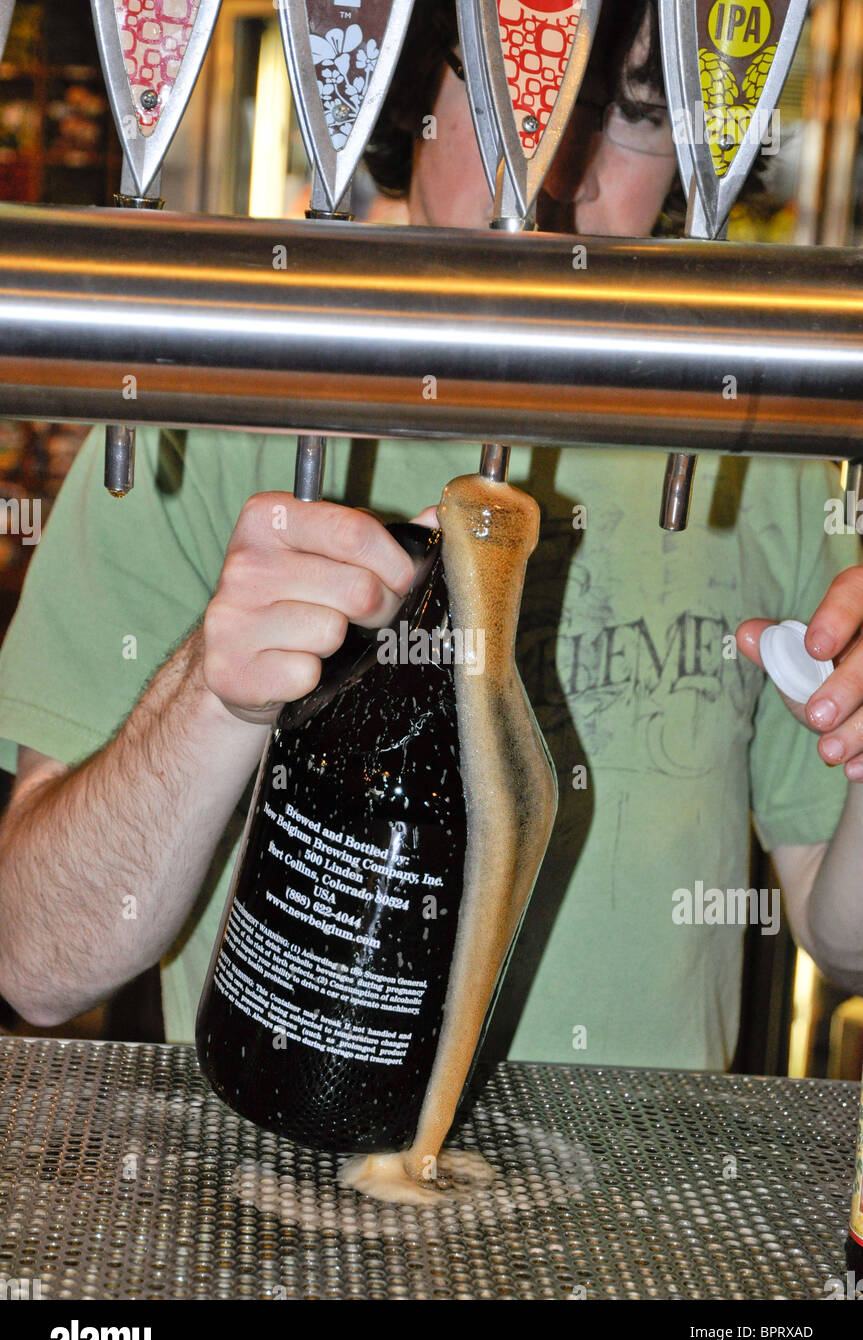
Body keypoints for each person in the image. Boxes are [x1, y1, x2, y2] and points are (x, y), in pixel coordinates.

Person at [0, 0, 860, 1071]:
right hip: (277, 1212)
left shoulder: (736, 438)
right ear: (411, 80)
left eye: (633, 114)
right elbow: (35, 960)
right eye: (512, 90)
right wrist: (209, 700)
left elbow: (839, 934)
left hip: (637, 1217)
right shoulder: (206, 401)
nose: (558, 172)